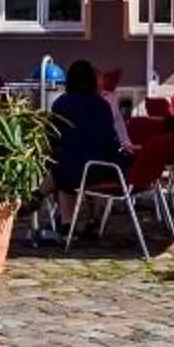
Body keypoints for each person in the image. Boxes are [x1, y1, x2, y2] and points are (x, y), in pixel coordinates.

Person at [46, 59, 129, 226]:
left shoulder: (62, 103)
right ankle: (94, 218)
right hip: (105, 169)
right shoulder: (103, 106)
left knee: (61, 169)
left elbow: (53, 136)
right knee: (72, 165)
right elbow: (110, 137)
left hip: (74, 170)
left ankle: (66, 222)